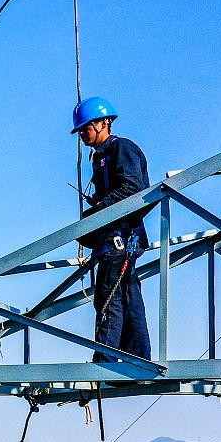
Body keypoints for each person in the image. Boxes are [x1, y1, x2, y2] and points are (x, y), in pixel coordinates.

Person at [72, 97, 152, 362]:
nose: (82, 134)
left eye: (85, 128)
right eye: (80, 130)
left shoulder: (122, 149)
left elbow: (134, 189)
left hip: (121, 237)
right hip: (116, 237)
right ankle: (135, 358)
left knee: (109, 296)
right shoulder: (101, 158)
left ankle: (106, 359)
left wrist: (99, 210)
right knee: (127, 296)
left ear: (103, 122)